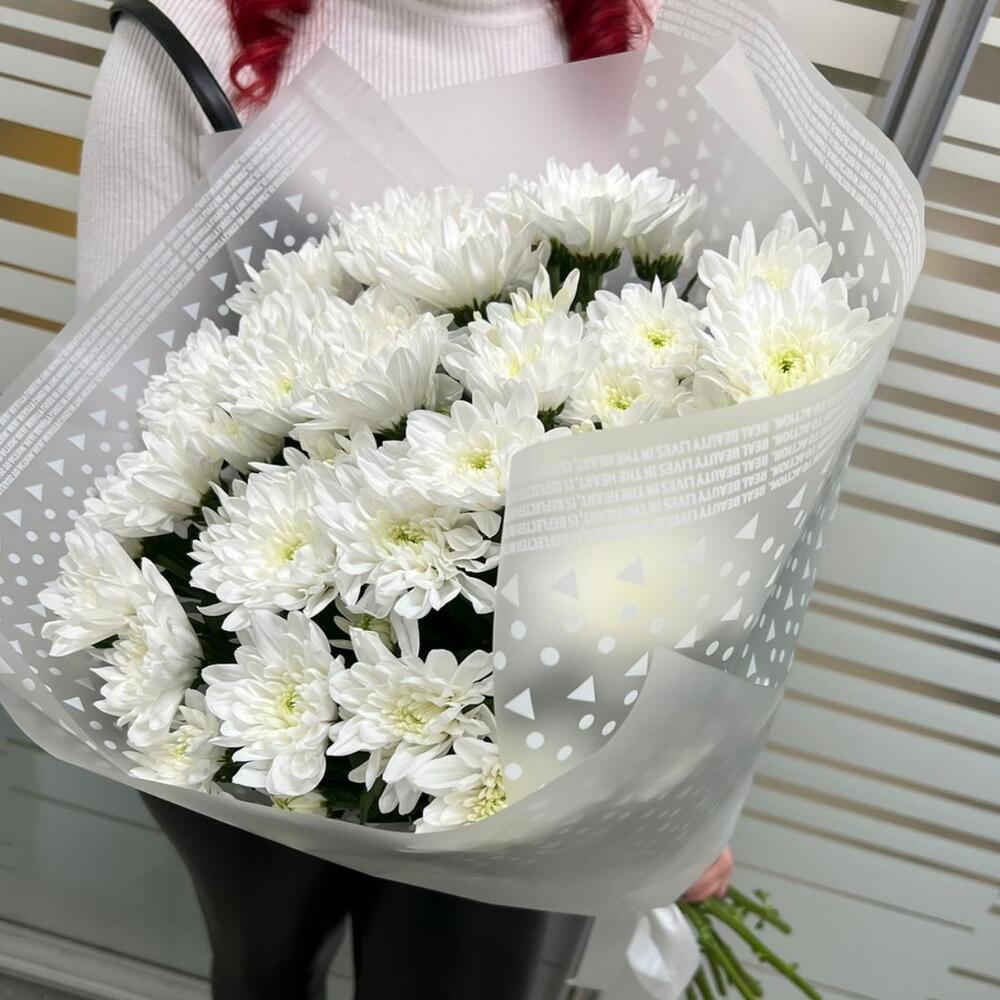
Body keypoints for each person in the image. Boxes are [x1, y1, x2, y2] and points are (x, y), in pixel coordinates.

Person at [74, 2, 734, 997]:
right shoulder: (188, 38)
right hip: (250, 662)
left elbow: (708, 435)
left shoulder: (658, 41)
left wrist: (689, 766)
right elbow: (124, 419)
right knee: (263, 972)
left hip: (533, 704)